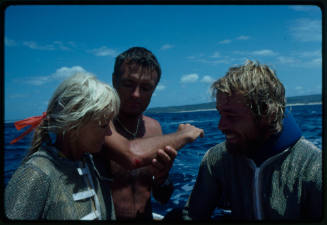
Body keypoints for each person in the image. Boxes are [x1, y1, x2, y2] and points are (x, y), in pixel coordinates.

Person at [182, 60, 322, 220]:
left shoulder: (314, 168)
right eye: (220, 113)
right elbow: (192, 217)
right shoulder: (217, 159)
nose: (221, 126)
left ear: (268, 115)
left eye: (232, 116)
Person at [97, 47, 204, 220]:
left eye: (146, 88)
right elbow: (132, 154)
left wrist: (162, 178)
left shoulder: (154, 128)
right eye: (128, 84)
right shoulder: (98, 123)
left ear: (154, 90)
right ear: (114, 81)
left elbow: (162, 198)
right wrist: (183, 135)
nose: (136, 94)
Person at [5, 73, 120, 220]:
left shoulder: (89, 163)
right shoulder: (36, 174)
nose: (109, 133)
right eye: (103, 125)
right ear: (74, 124)